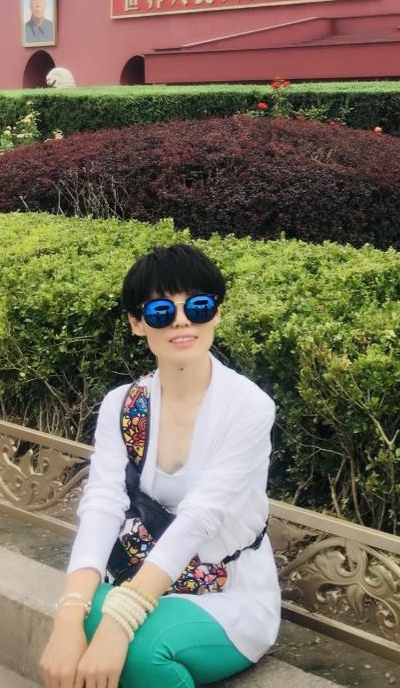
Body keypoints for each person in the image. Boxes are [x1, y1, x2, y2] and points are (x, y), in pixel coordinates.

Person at [40, 244, 279, 688]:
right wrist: (68, 614)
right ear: (137, 323)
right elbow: (103, 504)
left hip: (227, 592)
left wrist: (120, 619)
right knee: (81, 620)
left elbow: (201, 518)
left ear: (217, 314)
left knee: (142, 651)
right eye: (161, 311)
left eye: (198, 306)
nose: (182, 321)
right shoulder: (124, 405)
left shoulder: (248, 407)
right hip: (140, 574)